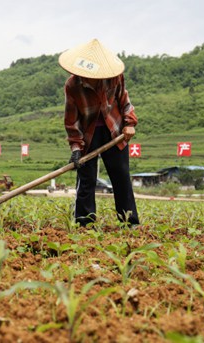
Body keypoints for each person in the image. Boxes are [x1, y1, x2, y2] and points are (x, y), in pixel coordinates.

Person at [58, 39, 140, 227]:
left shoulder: (113, 77)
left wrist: (130, 123)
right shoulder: (73, 85)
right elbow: (71, 120)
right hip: (88, 135)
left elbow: (125, 101)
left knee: (121, 176)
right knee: (86, 178)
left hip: (115, 131)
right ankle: (84, 222)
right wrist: (76, 146)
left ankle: (130, 222)